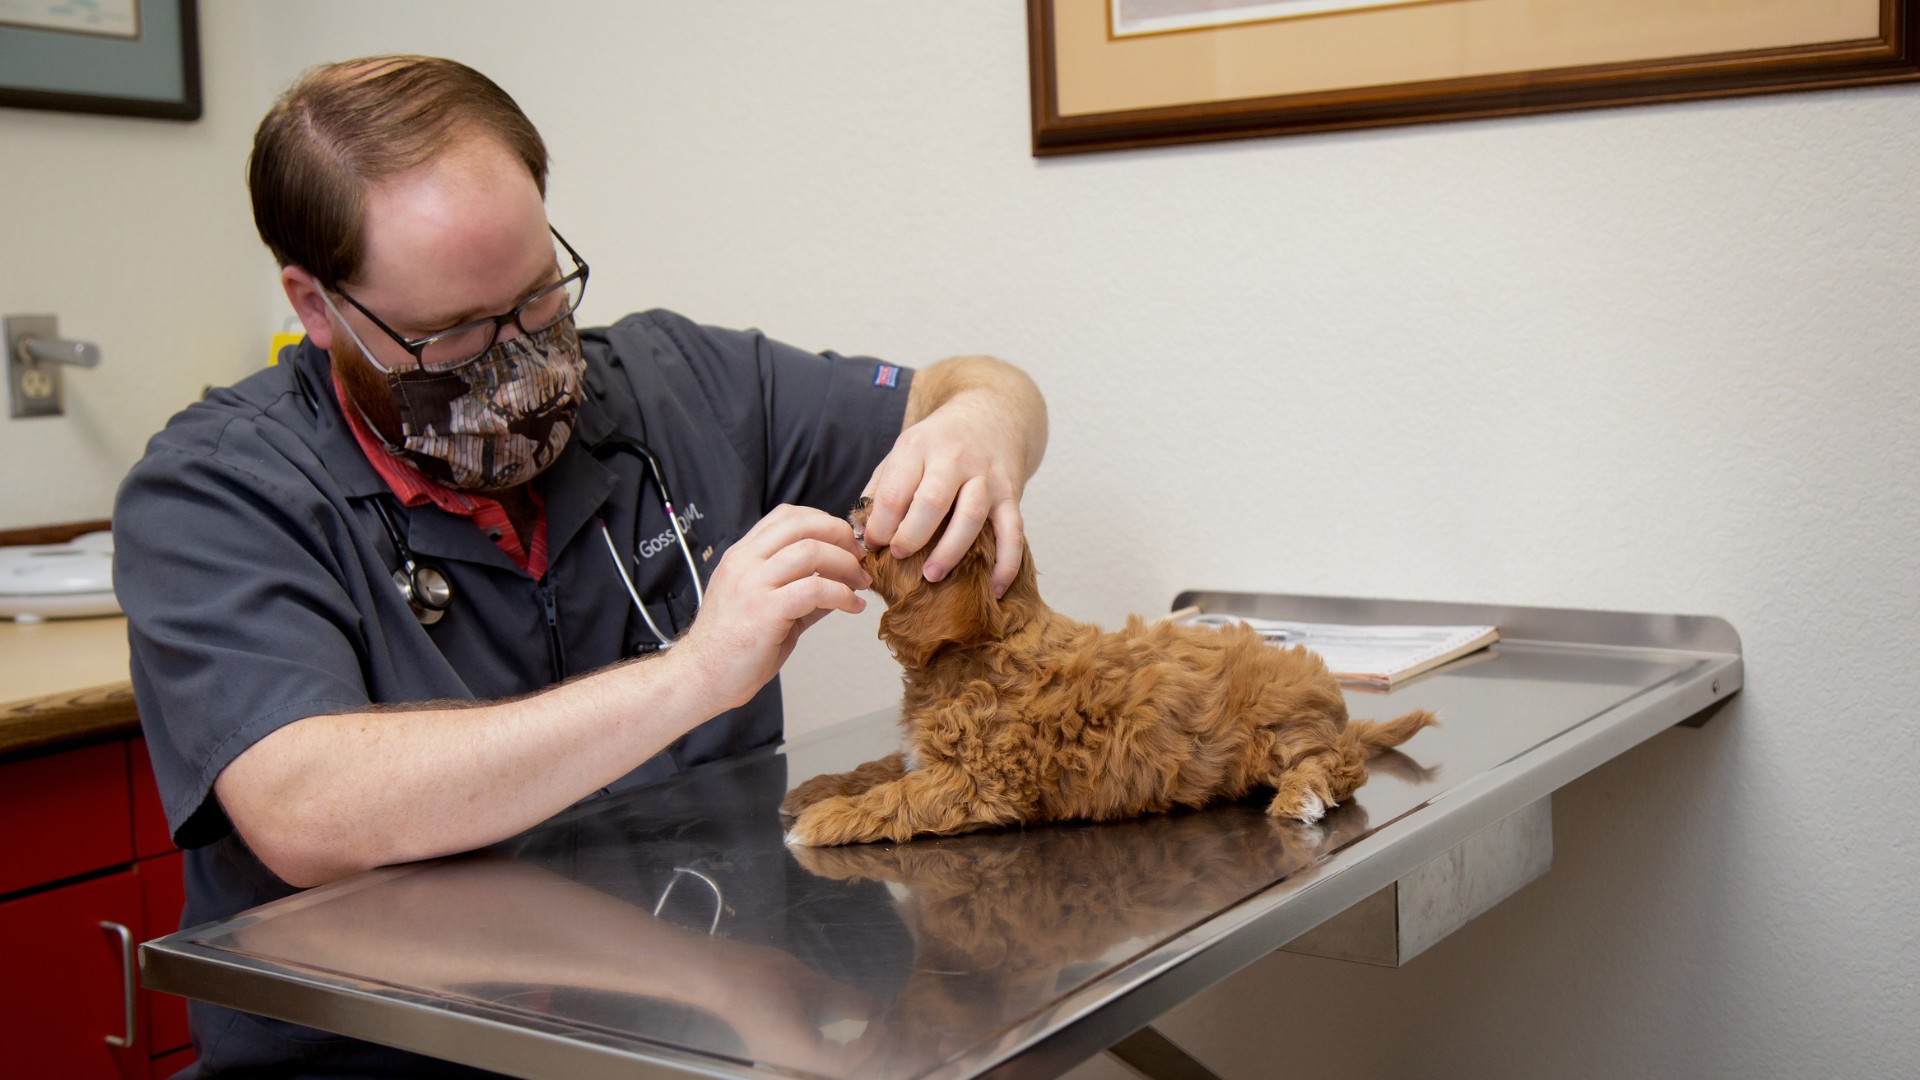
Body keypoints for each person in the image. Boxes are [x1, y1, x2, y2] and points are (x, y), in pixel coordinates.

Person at [113, 55, 1046, 1076]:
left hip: (693, 1029)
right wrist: (696, 673)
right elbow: (303, 809)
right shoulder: (214, 490)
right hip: (384, 1055)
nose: (520, 366)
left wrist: (986, 425)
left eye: (537, 300)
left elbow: (968, 387)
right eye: (454, 335)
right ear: (319, 304)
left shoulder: (672, 384)